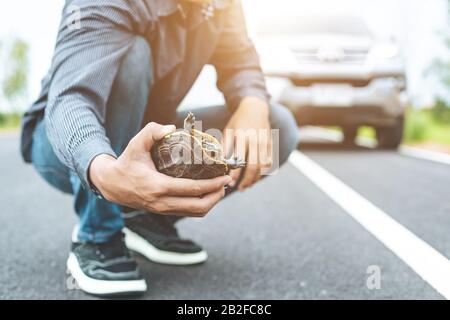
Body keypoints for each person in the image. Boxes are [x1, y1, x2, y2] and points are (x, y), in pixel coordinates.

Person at [20, 0, 299, 296]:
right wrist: (104, 171)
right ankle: (98, 233)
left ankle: (143, 219)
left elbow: (239, 60)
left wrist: (252, 102)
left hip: (149, 131)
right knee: (132, 55)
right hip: (63, 141)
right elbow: (72, 99)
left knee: (275, 127)